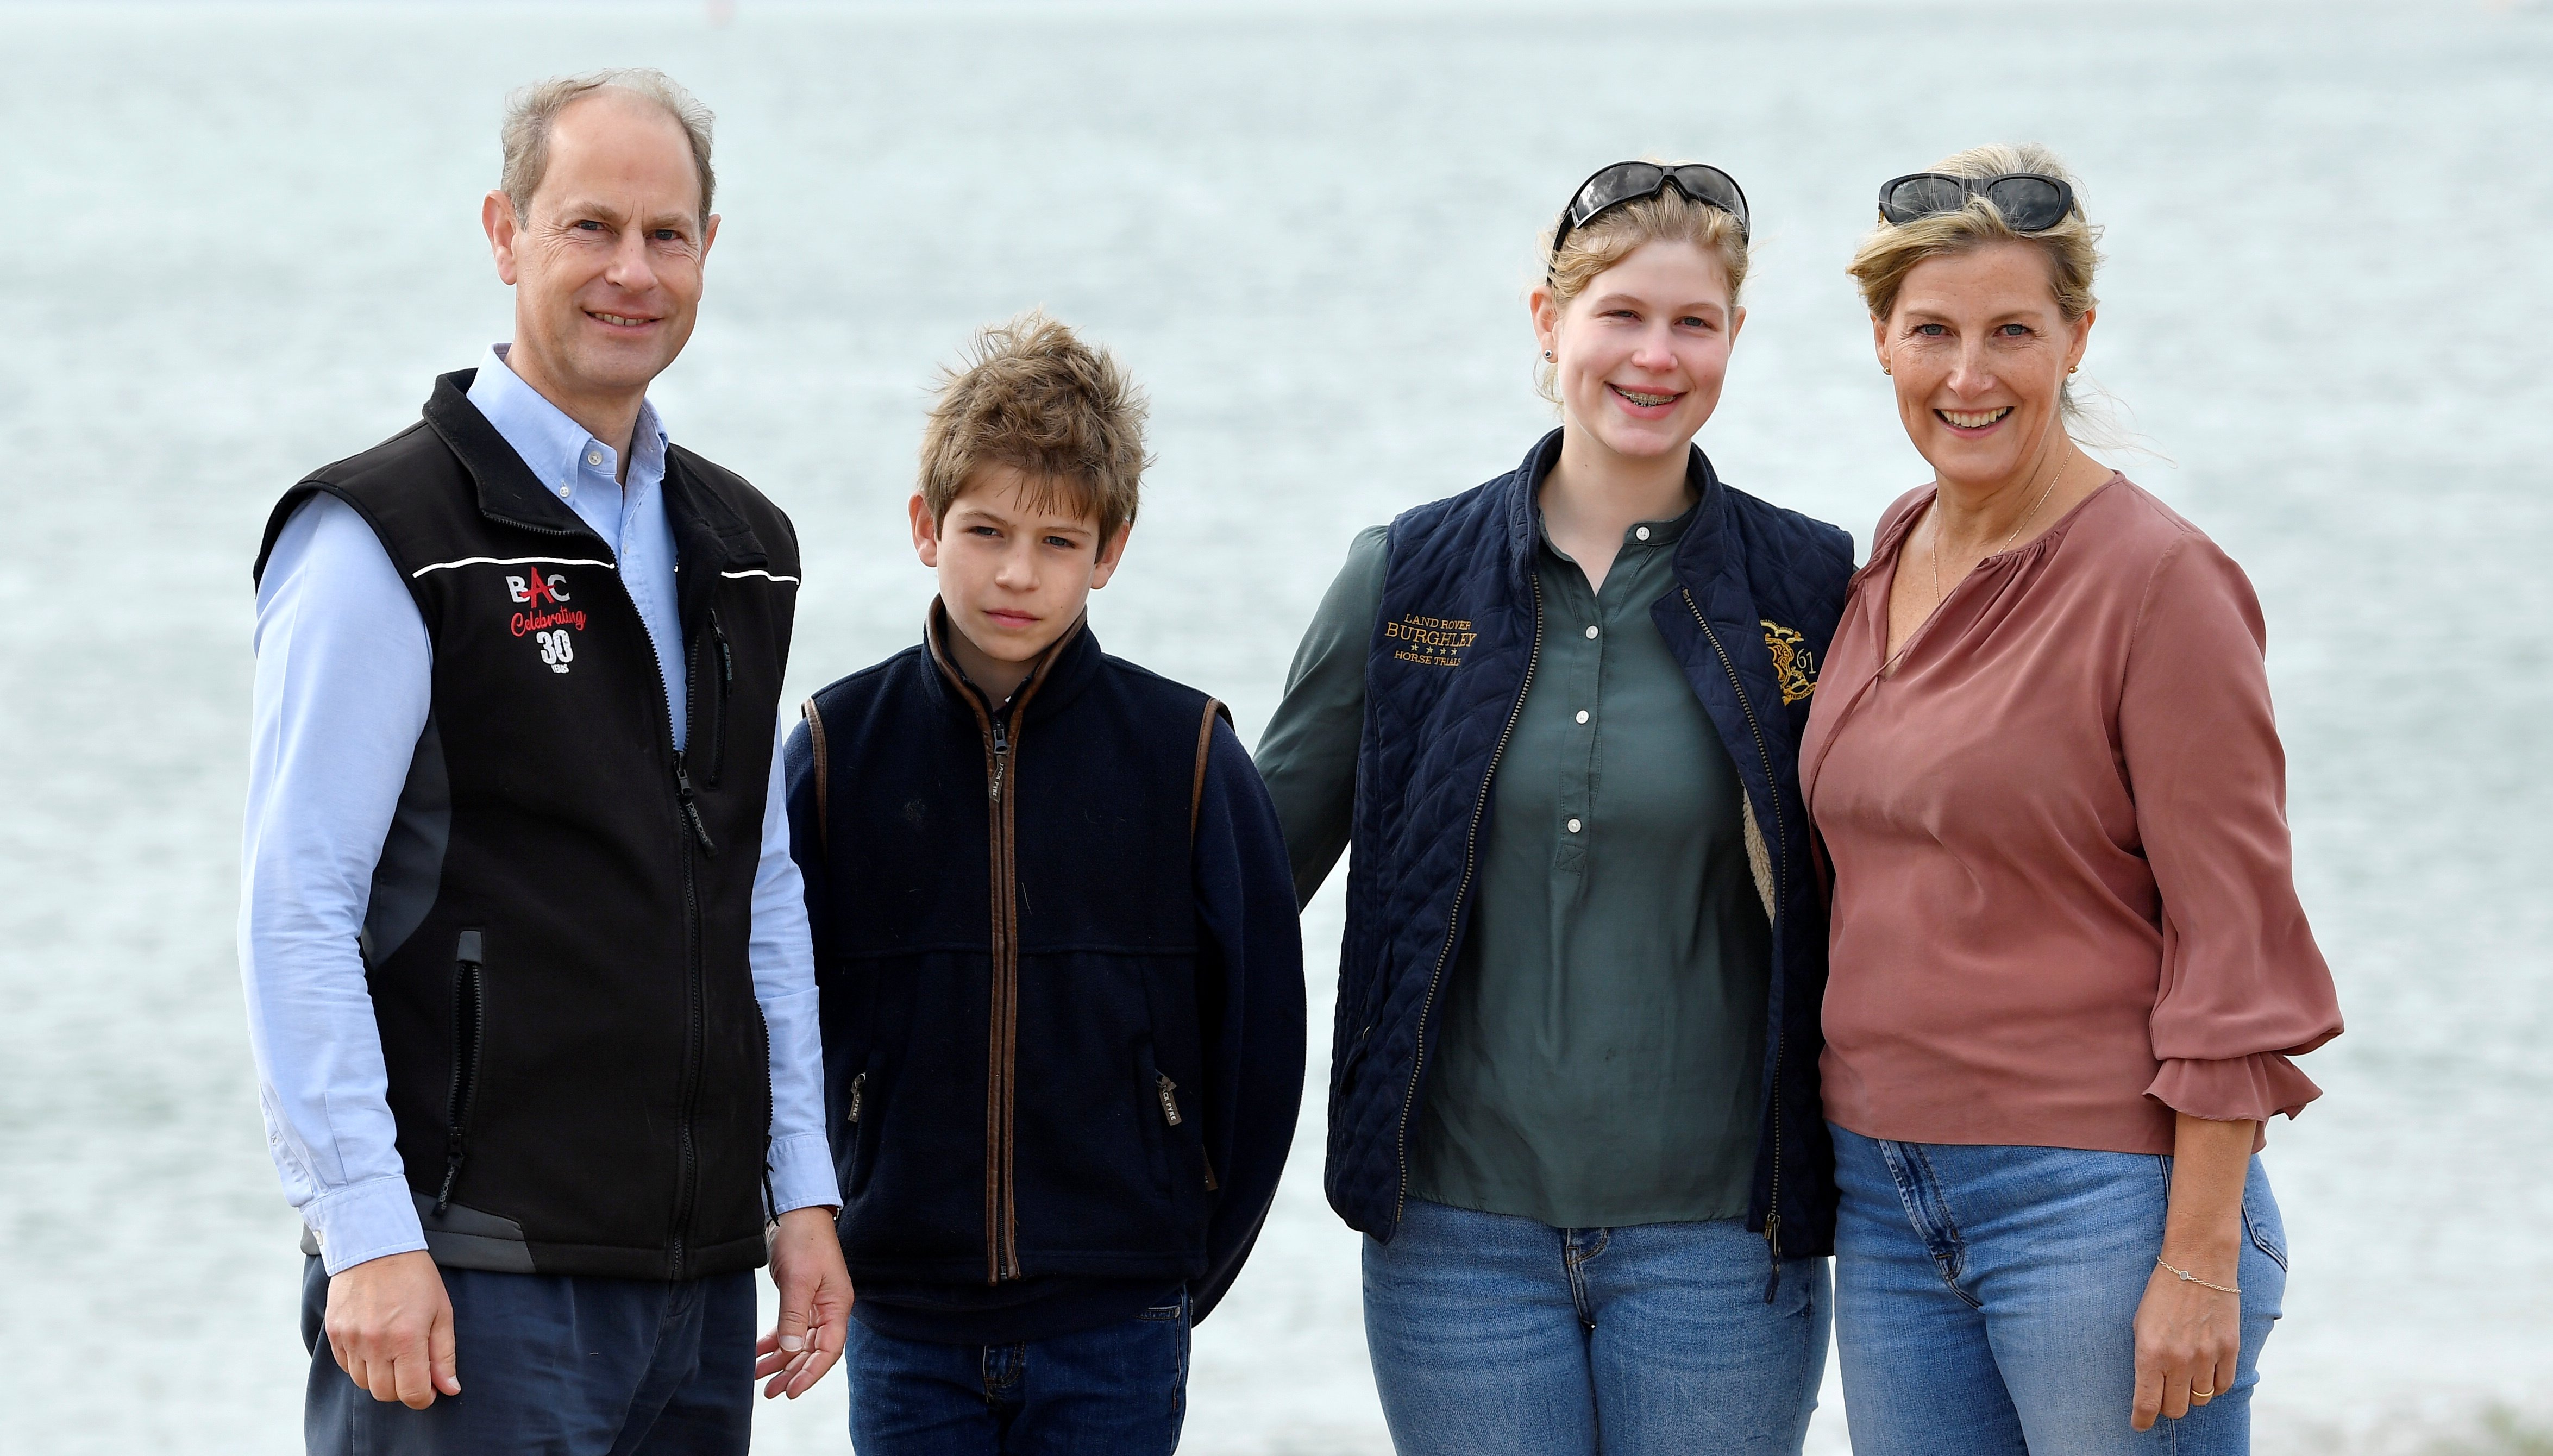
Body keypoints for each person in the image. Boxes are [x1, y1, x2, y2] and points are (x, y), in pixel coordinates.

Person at [240, 70, 851, 1453]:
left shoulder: (743, 545)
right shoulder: (383, 537)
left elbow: (760, 899)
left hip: (694, 1291)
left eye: (667, 234)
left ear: (708, 250)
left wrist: (798, 1192)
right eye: (590, 227)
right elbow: (296, 904)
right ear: (505, 234)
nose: (632, 272)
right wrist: (366, 1233)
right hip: (466, 1279)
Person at [1256, 163, 1854, 1455]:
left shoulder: (1811, 585)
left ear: (1735, 340)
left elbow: (1912, 865)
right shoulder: (1407, 575)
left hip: (1719, 1239)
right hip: (1455, 1239)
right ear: (1548, 321)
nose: (1656, 355)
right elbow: (1240, 878)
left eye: (1694, 322)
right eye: (1620, 315)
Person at [1798, 143, 2346, 1454]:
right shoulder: (1889, 545)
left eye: (2011, 332)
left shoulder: (2160, 583)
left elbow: (2235, 934)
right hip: (1880, 1196)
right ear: (1881, 339)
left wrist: (2200, 1258)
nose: (1967, 375)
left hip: (2097, 1203)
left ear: (2076, 337)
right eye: (1931, 331)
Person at [785, 312, 1306, 1455]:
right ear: (925, 527)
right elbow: (766, 1011)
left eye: (1059, 541)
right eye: (985, 529)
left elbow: (1263, 1033)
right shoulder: (834, 752)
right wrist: (812, 1210)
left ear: (1110, 550)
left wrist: (1176, 1255)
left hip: (1115, 1314)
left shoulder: (1189, 755)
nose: (1017, 572)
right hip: (907, 1313)